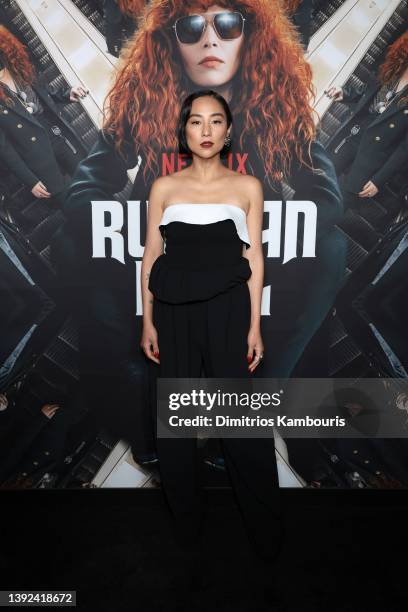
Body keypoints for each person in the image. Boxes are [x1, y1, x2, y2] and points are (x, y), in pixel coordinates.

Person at [63, 1, 344, 477]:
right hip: (162, 253)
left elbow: (326, 197)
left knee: (331, 248)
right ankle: (143, 403)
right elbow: (85, 191)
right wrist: (136, 228)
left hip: (245, 257)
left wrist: (255, 232)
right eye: (192, 27)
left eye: (227, 24)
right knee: (71, 244)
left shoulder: (276, 106)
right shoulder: (147, 101)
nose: (210, 40)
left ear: (249, 35)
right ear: (172, 41)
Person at [139, 89, 280, 557]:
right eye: (196, 122)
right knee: (177, 422)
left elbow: (254, 257)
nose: (205, 131)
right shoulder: (163, 188)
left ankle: (264, 529)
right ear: (184, 130)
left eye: (215, 121)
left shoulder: (248, 187)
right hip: (174, 309)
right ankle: (187, 530)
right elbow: (150, 256)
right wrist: (149, 321)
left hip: (228, 309)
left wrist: (255, 326)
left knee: (239, 419)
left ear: (228, 131)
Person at [0, 25, 88, 208]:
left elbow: (43, 91)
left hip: (55, 134)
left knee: (91, 183)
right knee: (74, 208)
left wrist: (67, 93)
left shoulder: (17, 65)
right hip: (36, 157)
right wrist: (29, 180)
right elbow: (4, 146)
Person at [325, 30, 408, 212]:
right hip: (354, 134)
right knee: (317, 183)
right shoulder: (394, 67)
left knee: (335, 207)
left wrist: (380, 179)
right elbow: (366, 93)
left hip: (373, 156)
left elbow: (405, 148)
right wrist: (345, 93)